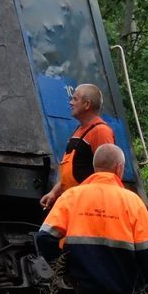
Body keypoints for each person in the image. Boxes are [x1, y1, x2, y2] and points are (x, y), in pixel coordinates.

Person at [35, 143, 148, 294]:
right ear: (119, 168)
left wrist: (65, 270)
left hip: (87, 287)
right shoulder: (133, 202)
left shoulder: (72, 196)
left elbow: (44, 237)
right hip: (126, 290)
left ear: (95, 168)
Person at [39, 83, 116, 211]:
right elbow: (71, 171)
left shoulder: (101, 131)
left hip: (87, 206)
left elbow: (107, 176)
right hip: (72, 203)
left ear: (87, 104)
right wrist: (54, 193)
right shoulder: (79, 130)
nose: (70, 103)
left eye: (75, 99)